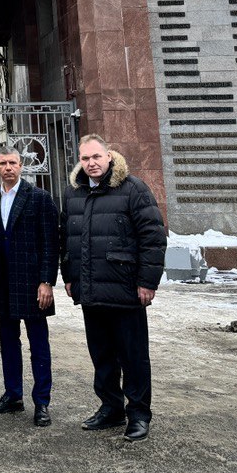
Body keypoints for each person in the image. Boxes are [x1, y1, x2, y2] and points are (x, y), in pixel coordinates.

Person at [60, 134, 166, 442]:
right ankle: (111, 408)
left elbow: (153, 237)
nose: (91, 163)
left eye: (96, 156)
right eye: (85, 158)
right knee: (102, 354)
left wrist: (147, 281)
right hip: (91, 291)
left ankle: (139, 414)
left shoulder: (133, 189)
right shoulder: (74, 193)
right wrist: (69, 276)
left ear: (109, 156)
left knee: (133, 356)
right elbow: (67, 239)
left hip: (125, 290)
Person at [0, 146, 58, 427]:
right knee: (8, 342)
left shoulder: (39, 198)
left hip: (32, 284)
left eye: (13, 163)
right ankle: (13, 394)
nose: (8, 168)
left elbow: (51, 243)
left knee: (38, 344)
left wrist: (47, 281)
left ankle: (42, 402)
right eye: (3, 163)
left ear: (21, 166)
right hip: (2, 284)